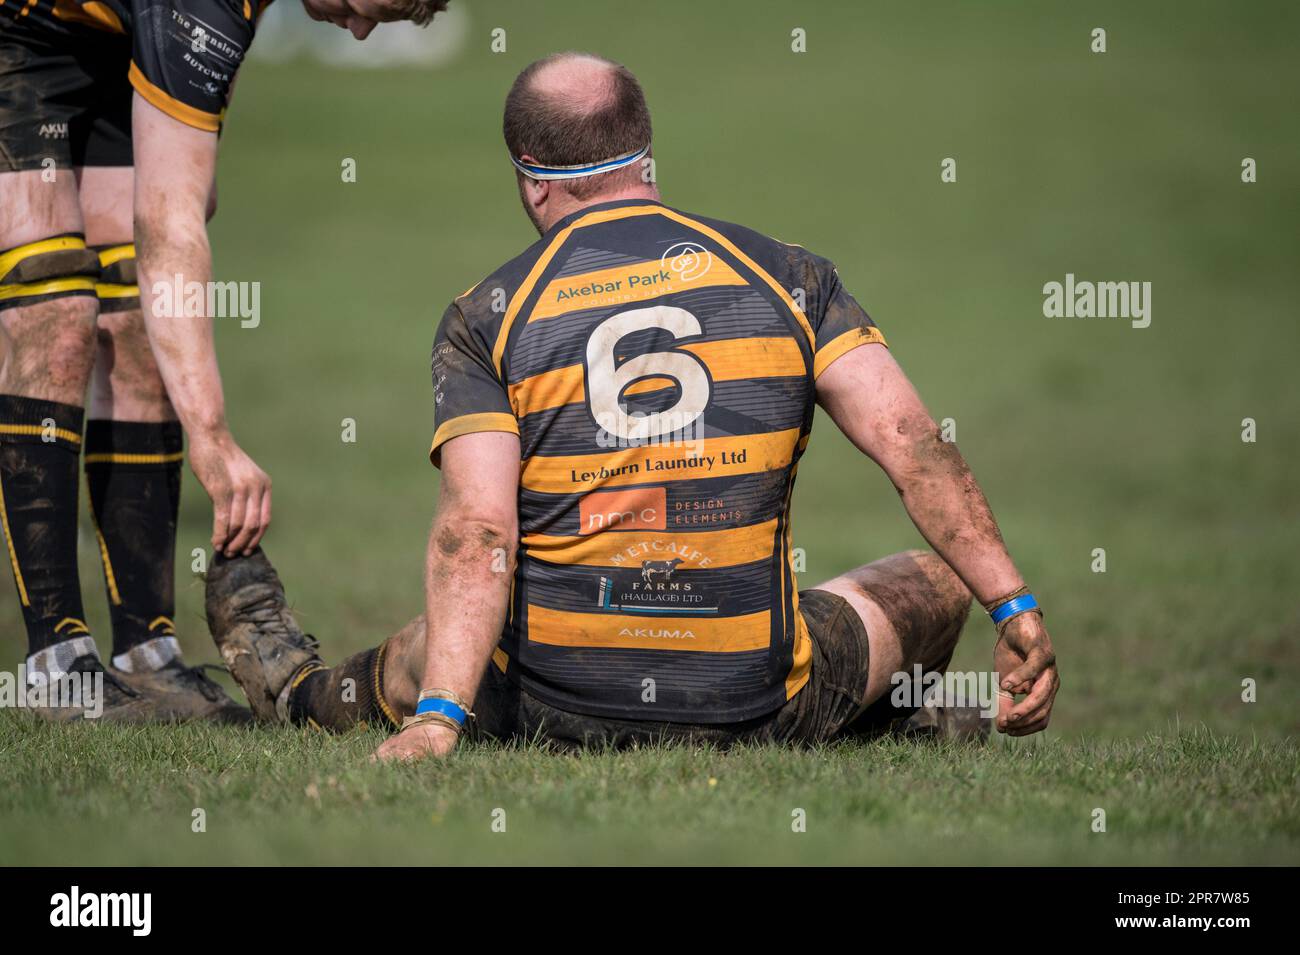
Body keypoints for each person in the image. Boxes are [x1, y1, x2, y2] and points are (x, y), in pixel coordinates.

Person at [205, 52, 1060, 758]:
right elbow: (912, 441)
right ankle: (881, 729)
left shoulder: (490, 313)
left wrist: (439, 721)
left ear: (534, 184)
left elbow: (479, 531)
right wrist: (1012, 605)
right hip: (756, 703)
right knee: (936, 584)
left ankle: (303, 693)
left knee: (433, 646)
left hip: (552, 708)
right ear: (645, 159)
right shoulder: (791, 277)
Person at [0, 0, 447, 721]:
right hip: (16, 32)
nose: (363, 31)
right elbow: (166, 225)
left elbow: (184, 201)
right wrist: (210, 436)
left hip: (108, 45)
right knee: (52, 316)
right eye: (376, 8)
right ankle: (55, 661)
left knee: (143, 327)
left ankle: (146, 654)